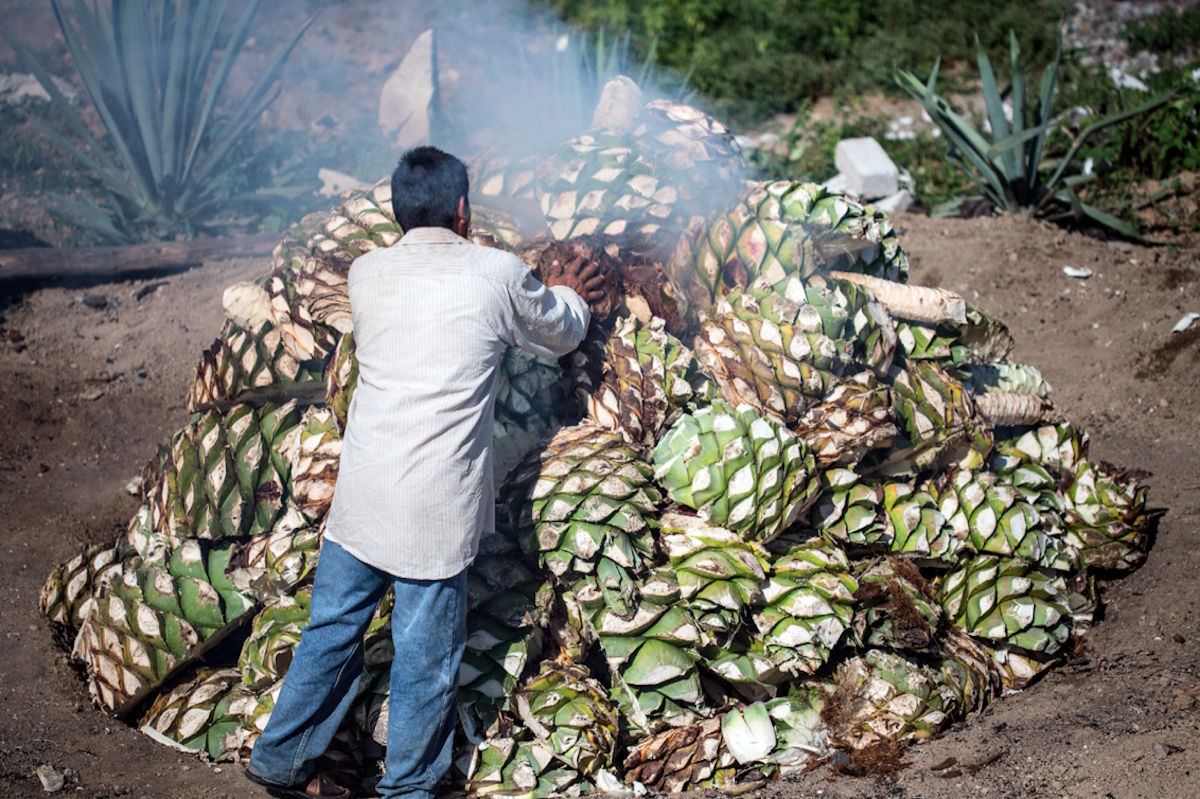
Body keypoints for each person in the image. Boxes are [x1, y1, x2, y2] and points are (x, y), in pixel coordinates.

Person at [245, 146, 606, 799]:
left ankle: (279, 758)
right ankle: (409, 787)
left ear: (397, 211)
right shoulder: (496, 274)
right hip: (434, 504)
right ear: (464, 208)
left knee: (331, 631)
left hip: (363, 493)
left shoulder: (367, 273)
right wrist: (569, 294)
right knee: (425, 659)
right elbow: (557, 333)